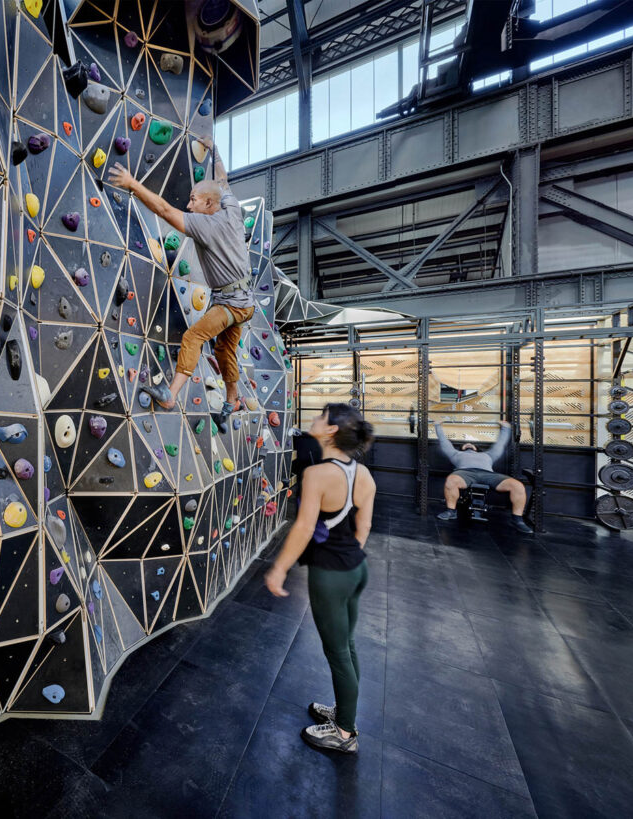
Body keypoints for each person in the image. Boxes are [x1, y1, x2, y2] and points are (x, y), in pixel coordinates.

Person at [107, 138, 253, 428]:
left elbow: (163, 210)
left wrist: (132, 184)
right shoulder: (231, 208)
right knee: (224, 351)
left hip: (231, 304)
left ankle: (170, 396)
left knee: (193, 337)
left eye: (193, 201)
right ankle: (231, 400)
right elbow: (222, 180)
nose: (188, 204)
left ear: (208, 204)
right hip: (243, 301)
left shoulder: (204, 225)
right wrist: (216, 150)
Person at [265, 403, 376, 754]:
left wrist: (280, 568)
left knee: (337, 651)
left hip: (331, 574)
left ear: (331, 431)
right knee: (348, 645)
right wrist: (347, 556)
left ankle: (344, 734)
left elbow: (302, 527)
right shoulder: (364, 474)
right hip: (356, 569)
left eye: (321, 416)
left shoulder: (317, 474)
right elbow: (364, 527)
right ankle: (346, 712)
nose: (313, 419)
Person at [434, 420, 533, 533]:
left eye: (472, 444)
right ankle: (451, 511)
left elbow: (500, 444)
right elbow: (443, 441)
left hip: (488, 474)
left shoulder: (488, 455)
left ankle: (518, 519)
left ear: (477, 448)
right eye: (466, 444)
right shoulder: (455, 454)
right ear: (461, 448)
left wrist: (505, 428)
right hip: (465, 473)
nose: (469, 444)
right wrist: (437, 425)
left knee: (517, 485)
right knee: (451, 480)